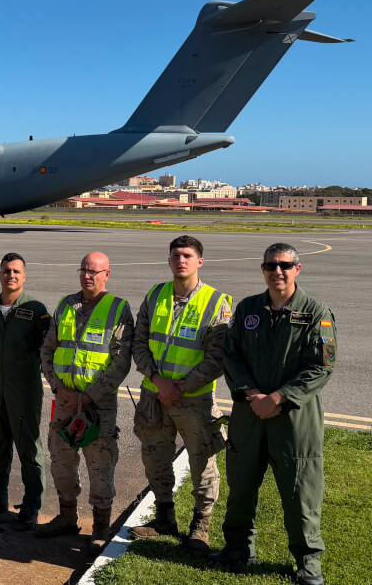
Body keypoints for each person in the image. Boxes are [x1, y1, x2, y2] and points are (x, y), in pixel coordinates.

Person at [211, 242, 337, 585]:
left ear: (298, 269)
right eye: (270, 266)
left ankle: (308, 563)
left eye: (284, 265)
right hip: (249, 413)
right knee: (241, 485)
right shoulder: (248, 308)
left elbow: (321, 367)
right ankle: (238, 549)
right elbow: (231, 355)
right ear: (262, 269)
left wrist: (279, 398)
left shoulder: (316, 312)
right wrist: (252, 394)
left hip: (295, 419)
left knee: (301, 491)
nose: (277, 272)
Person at [129, 235, 233, 552]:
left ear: (200, 261)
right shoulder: (155, 295)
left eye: (187, 255)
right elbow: (139, 343)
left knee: (203, 463)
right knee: (155, 458)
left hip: (195, 400)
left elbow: (218, 358)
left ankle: (201, 526)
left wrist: (182, 387)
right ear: (169, 260)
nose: (181, 260)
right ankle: (164, 518)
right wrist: (158, 380)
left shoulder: (216, 302)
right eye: (175, 255)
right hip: (154, 397)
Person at [37, 251, 134, 546]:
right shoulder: (66, 305)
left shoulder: (118, 309)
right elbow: (47, 350)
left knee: (100, 465)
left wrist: (88, 396)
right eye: (83, 270)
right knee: (61, 461)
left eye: (94, 272)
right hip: (64, 401)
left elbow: (121, 362)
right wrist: (58, 388)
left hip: (98, 404)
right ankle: (67, 517)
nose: (87, 276)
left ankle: (101, 528)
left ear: (107, 275)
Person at [0, 253, 51, 530]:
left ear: (24, 276)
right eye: (6, 271)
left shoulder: (36, 310)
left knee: (29, 447)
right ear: (0, 274)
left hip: (24, 390)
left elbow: (45, 348)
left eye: (16, 271)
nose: (11, 275)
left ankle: (31, 506)